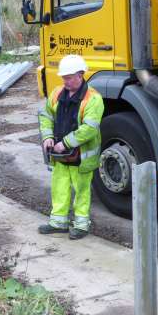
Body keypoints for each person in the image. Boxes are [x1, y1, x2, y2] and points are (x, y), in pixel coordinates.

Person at [38, 55, 104, 239]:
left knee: (82, 190)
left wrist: (65, 143)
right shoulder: (57, 93)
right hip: (61, 155)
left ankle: (82, 226)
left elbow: (89, 129)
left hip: (80, 156)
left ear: (80, 75)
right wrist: (48, 137)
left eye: (68, 77)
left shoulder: (93, 99)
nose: (65, 81)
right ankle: (58, 223)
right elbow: (45, 115)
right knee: (59, 187)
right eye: (63, 78)